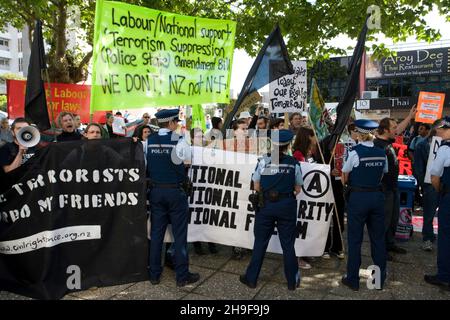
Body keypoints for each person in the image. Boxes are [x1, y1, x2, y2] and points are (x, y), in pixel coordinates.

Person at [240, 129, 302, 290]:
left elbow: (256, 184)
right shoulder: (294, 163)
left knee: (260, 242)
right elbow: (298, 188)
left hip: (266, 205)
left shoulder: (264, 161)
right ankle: (292, 281)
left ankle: (251, 278)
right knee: (288, 245)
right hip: (287, 205)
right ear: (288, 144)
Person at [147, 108, 200, 287]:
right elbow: (187, 163)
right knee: (179, 235)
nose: (177, 125)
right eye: (176, 122)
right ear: (170, 123)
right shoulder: (179, 140)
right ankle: (181, 276)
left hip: (155, 192)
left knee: (156, 235)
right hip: (175, 193)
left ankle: (154, 275)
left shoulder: (149, 141)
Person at [341, 119, 388, 291]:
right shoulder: (382, 152)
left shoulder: (354, 152)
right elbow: (383, 174)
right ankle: (378, 281)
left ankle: (353, 280)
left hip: (358, 198)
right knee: (377, 240)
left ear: (359, 134)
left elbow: (345, 174)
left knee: (355, 240)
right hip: (376, 197)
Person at [374, 105, 416, 259]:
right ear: (385, 130)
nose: (395, 130)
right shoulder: (378, 146)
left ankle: (390, 244)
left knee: (393, 219)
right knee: (384, 221)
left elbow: (399, 129)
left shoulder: (388, 141)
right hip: (384, 189)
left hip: (393, 188)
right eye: (392, 127)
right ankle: (381, 250)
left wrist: (410, 117)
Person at [425, 116, 450, 291]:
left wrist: (442, 191)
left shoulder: (444, 149)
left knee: (446, 236)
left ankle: (444, 276)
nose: (437, 132)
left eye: (439, 129)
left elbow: (434, 177)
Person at [291, 126, 317, 269]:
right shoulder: (298, 155)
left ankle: (304, 252)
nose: (315, 139)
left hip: (308, 195)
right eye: (313, 136)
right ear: (308, 137)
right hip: (301, 196)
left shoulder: (307, 153)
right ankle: (297, 257)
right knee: (299, 226)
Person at [413, 120, 440, 251]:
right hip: (430, 185)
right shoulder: (422, 145)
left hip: (444, 185)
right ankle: (428, 238)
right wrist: (425, 184)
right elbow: (418, 168)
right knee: (429, 214)